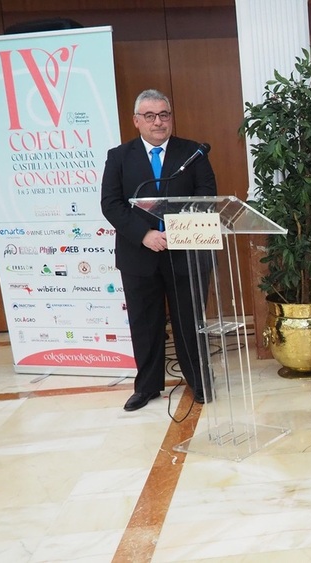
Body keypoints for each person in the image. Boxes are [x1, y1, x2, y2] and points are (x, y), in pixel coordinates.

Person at [100, 89, 217, 411]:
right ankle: (147, 387)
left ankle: (198, 381)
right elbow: (110, 204)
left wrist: (175, 233)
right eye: (149, 116)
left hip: (186, 254)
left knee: (190, 323)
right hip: (139, 254)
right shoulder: (119, 157)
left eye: (164, 114)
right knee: (145, 323)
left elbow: (206, 196)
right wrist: (145, 234)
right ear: (136, 121)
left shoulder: (193, 153)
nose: (158, 122)